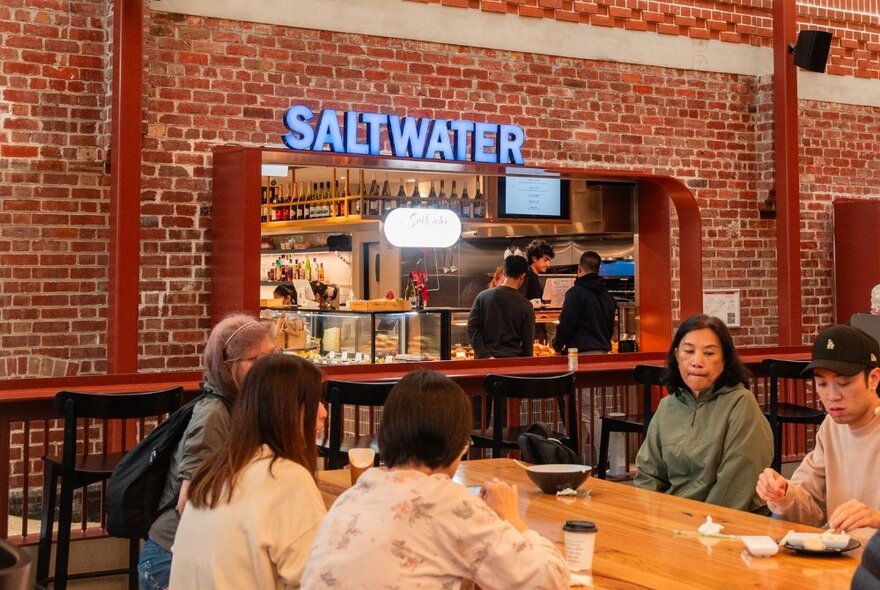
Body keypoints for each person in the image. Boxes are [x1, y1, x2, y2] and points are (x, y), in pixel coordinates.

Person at [301, 370, 569, 590]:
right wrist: (512, 516)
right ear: (454, 445)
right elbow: (549, 580)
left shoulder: (352, 497)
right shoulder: (449, 503)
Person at [137, 314, 276, 590]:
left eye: (270, 357)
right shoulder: (213, 413)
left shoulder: (245, 407)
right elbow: (188, 503)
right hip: (171, 557)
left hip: (206, 554)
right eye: (254, 361)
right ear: (227, 367)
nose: (265, 368)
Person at [169, 354, 328, 589]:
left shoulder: (214, 471)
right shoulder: (287, 478)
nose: (324, 411)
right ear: (287, 409)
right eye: (316, 401)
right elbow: (318, 578)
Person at [634, 314, 773, 512]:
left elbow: (734, 488)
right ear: (676, 355)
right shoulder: (667, 407)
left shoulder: (741, 404)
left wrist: (697, 525)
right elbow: (648, 475)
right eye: (688, 351)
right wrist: (653, 519)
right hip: (671, 521)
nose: (697, 361)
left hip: (724, 524)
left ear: (725, 359)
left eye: (709, 353)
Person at [756, 325, 880, 536]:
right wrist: (782, 492)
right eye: (822, 384)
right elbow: (811, 508)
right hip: (839, 559)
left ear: (874, 378)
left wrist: (876, 518)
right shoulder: (831, 427)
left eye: (844, 383)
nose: (832, 396)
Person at [467, 254, 535, 359]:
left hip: (484, 365)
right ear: (523, 276)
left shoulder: (483, 297)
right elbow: (528, 343)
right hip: (513, 363)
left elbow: (472, 329)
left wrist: (485, 356)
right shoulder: (526, 305)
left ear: (504, 272)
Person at [552, 251, 616, 354]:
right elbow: (610, 328)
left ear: (579, 269)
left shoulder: (575, 293)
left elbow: (566, 324)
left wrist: (557, 346)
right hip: (604, 356)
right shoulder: (607, 296)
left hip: (581, 356)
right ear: (598, 271)